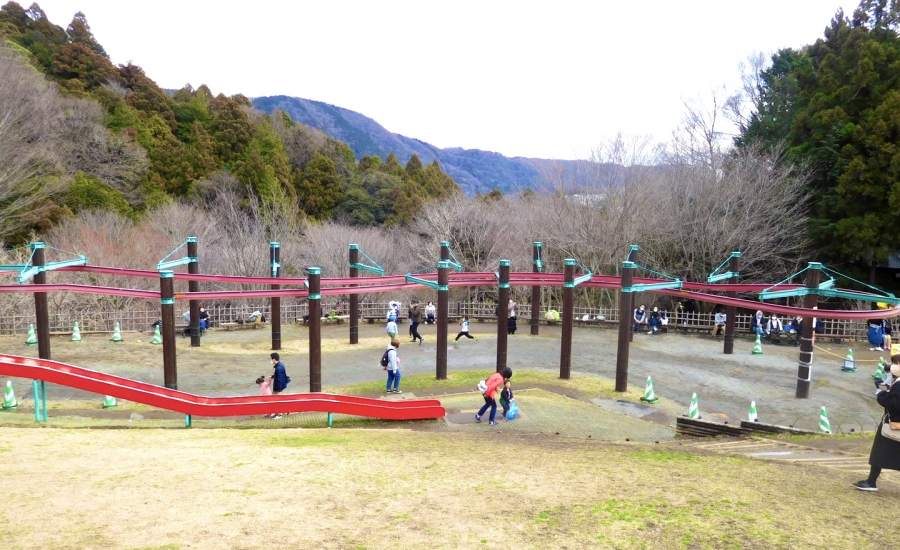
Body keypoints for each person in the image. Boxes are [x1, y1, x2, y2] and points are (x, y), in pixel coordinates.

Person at [855, 355, 900, 492]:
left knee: (878, 454)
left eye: (896, 363)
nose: (893, 366)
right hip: (894, 424)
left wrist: (881, 393)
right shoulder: (896, 381)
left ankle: (871, 482)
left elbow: (894, 403)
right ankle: (870, 481)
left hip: (892, 425)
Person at [269, 353, 290, 419]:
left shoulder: (278, 368)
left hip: (278, 388)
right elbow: (279, 375)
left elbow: (279, 379)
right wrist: (272, 376)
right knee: (277, 400)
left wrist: (278, 390)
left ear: (274, 359)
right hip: (280, 387)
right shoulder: (281, 365)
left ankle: (279, 414)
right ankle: (280, 412)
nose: (271, 361)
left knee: (276, 400)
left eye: (271, 359)